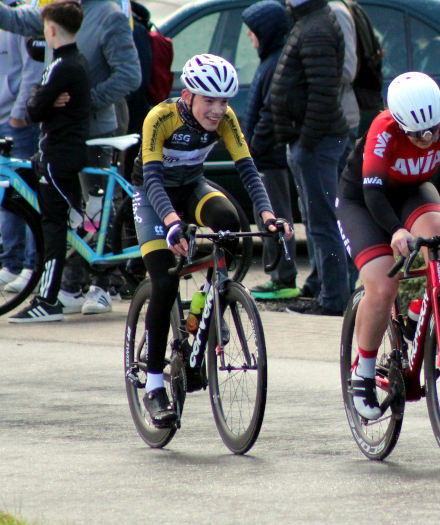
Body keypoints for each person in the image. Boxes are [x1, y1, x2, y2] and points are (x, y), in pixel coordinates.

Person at [131, 54, 290, 427]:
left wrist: (267, 214)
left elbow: (248, 171)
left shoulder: (227, 120)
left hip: (191, 188)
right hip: (154, 198)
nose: (218, 110)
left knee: (229, 224)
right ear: (187, 96)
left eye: (224, 101)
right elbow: (152, 179)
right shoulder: (160, 117)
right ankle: (155, 385)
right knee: (166, 281)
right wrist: (171, 222)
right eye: (209, 100)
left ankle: (201, 310)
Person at [336, 72, 440, 419]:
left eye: (433, 130)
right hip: (365, 201)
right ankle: (363, 371)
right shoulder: (383, 129)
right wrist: (395, 230)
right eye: (417, 133)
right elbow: (373, 193)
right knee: (383, 285)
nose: (427, 139)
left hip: (412, 190)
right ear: (398, 122)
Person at [0, 0, 141, 315]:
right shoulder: (58, 9)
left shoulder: (110, 16)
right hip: (61, 134)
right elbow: (14, 19)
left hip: (98, 130)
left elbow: (130, 75)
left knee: (98, 207)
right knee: (71, 211)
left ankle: (102, 285)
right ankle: (71, 284)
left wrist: (84, 100)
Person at [9, 0, 90, 323]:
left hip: (58, 156)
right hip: (56, 154)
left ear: (51, 29)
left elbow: (33, 110)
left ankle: (48, 300)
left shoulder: (62, 66)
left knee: (54, 227)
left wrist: (41, 97)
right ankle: (65, 285)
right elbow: (40, 101)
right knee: (67, 221)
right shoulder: (77, 62)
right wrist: (42, 97)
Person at [270, 0, 350, 316]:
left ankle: (333, 301)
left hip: (317, 142)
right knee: (319, 220)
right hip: (311, 140)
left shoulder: (316, 26)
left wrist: (306, 142)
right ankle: (323, 289)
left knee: (323, 223)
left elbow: (323, 93)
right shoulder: (309, 19)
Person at [241, 0, 299, 301]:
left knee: (275, 216)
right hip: (263, 155)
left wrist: (253, 147)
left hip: (269, 156)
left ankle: (284, 277)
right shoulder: (270, 60)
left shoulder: (276, 62)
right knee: (267, 215)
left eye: (253, 31)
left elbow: (269, 113)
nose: (249, 37)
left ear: (267, 32)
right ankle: (278, 274)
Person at [0, 0, 43, 295]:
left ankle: (29, 264)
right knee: (7, 193)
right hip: (5, 116)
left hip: (18, 120)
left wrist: (19, 113)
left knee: (25, 194)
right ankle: (12, 262)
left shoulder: (24, 13)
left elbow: (33, 68)